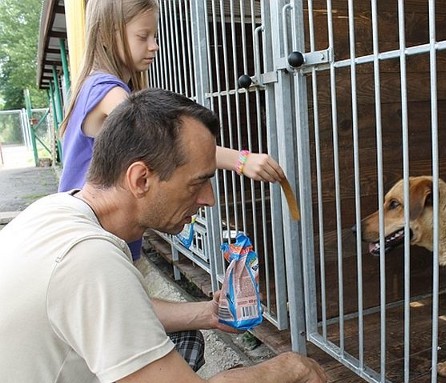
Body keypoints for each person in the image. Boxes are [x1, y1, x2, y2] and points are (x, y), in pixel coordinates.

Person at [0, 88, 327, 383]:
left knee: (183, 339)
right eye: (197, 183)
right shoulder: (90, 260)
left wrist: (208, 313)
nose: (209, 199)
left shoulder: (58, 210)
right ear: (141, 179)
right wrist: (292, 366)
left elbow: (116, 307)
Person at [58, 0, 283, 261]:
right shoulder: (108, 91)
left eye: (154, 35)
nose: (154, 45)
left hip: (92, 232)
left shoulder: (96, 85)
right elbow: (165, 142)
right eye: (143, 36)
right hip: (92, 237)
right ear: (110, 33)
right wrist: (241, 160)